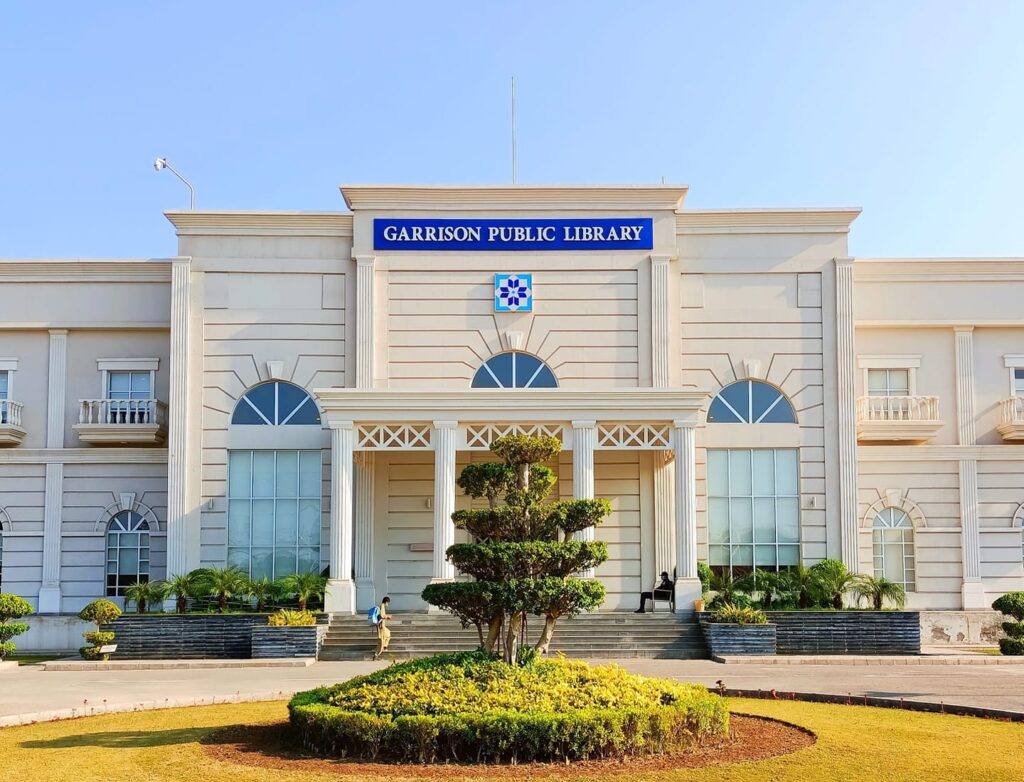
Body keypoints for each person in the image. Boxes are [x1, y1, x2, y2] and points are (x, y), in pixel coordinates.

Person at [372, 595, 392, 660]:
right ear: (386, 602)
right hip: (381, 627)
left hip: (382, 626)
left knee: (388, 634)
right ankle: (376, 655)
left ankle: (385, 647)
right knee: (381, 642)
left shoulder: (381, 606)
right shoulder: (382, 607)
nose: (388, 604)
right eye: (388, 603)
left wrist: (387, 616)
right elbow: (381, 616)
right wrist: (387, 617)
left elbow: (382, 615)